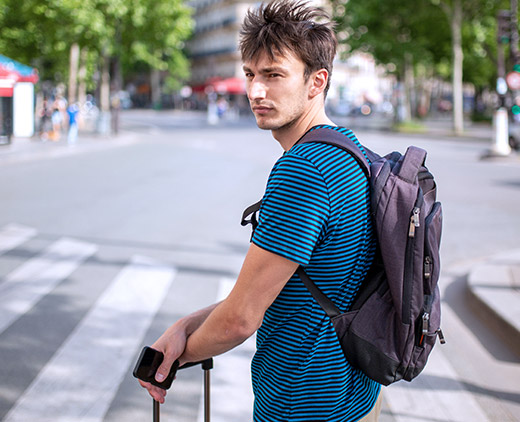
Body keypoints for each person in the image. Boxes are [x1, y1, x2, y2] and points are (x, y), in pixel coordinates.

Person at [138, 1, 382, 420]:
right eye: (250, 74)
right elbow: (281, 293)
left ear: (315, 81)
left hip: (304, 406)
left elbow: (240, 320)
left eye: (273, 75)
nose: (255, 91)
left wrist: (171, 360)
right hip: (355, 396)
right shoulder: (350, 152)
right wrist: (187, 326)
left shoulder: (305, 171)